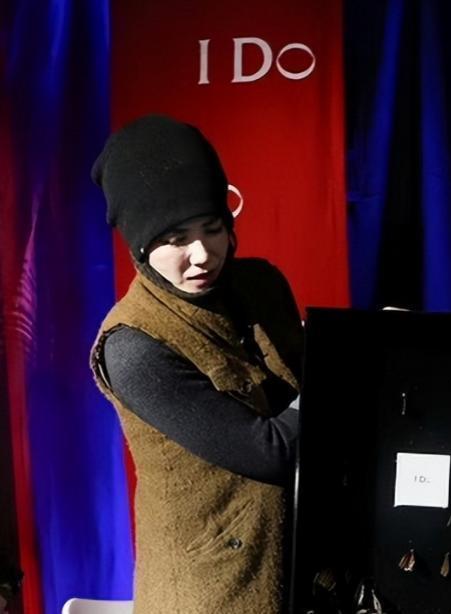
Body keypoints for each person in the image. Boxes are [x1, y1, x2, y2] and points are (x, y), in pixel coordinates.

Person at [89, 115, 303, 614]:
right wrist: (353, 363)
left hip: (299, 567)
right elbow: (271, 451)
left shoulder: (262, 285)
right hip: (210, 592)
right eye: (176, 239)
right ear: (141, 244)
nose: (203, 254)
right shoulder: (133, 346)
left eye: (213, 228)